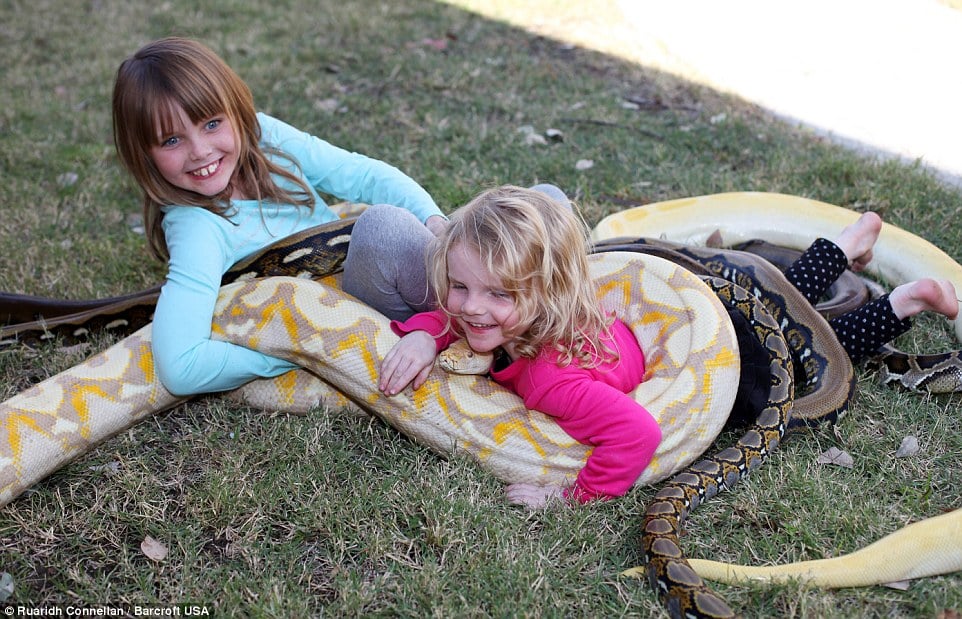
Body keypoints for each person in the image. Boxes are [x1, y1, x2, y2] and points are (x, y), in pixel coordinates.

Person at [112, 37, 447, 396]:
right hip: (348, 314)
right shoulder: (196, 227)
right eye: (172, 141)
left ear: (236, 113)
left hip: (364, 281)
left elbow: (364, 175)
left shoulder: (261, 135)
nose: (200, 151)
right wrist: (294, 355)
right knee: (386, 230)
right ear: (143, 154)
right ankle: (467, 326)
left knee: (465, 232)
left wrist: (435, 222)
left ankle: (464, 319)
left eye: (211, 124)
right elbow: (181, 367)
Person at [378, 185, 664, 506]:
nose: (471, 307)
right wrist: (425, 335)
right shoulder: (517, 319)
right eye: (459, 285)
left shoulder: (550, 382)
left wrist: (572, 497)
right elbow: (458, 320)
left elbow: (639, 433)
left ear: (549, 295)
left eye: (498, 293)